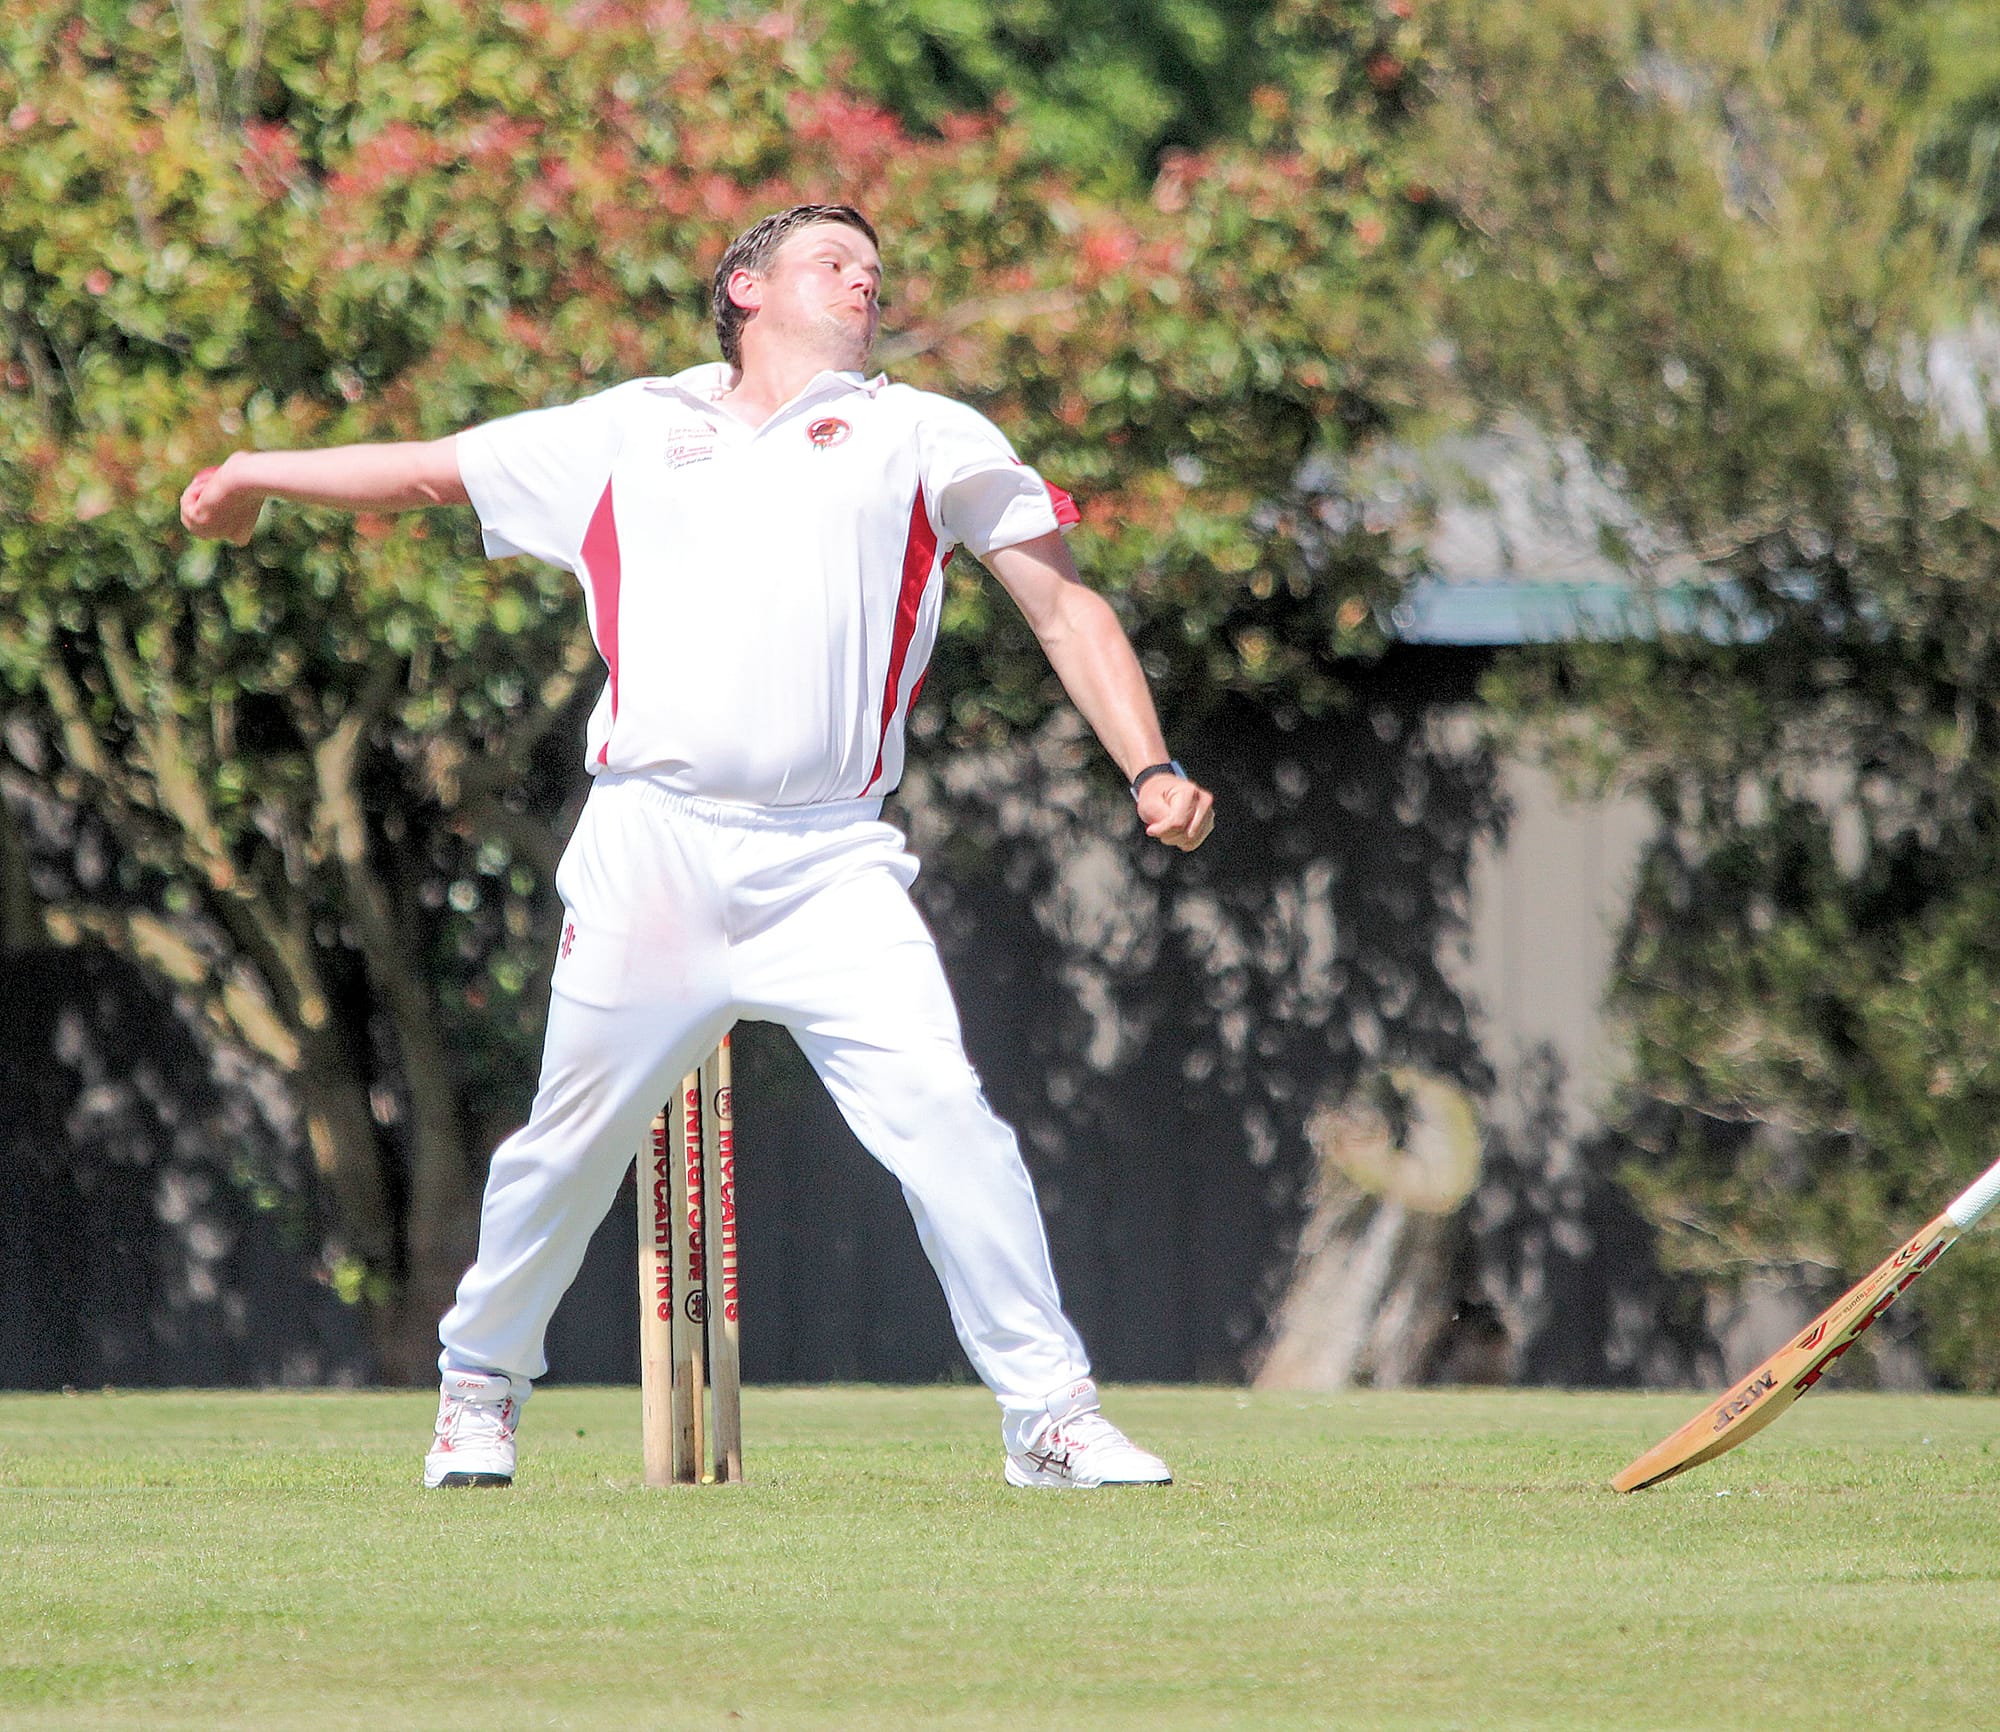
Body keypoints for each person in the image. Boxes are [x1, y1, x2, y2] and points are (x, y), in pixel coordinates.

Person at [181, 203, 1216, 1490]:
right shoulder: (630, 428)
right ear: (744, 286)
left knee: (947, 1118)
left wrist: (1151, 763)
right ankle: (478, 1389)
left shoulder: (921, 430)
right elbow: (431, 470)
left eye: (874, 271)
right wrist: (252, 477)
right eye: (831, 262)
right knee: (570, 1141)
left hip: (833, 859)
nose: (862, 281)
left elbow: (1063, 608)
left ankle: (1049, 1415)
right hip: (652, 846)